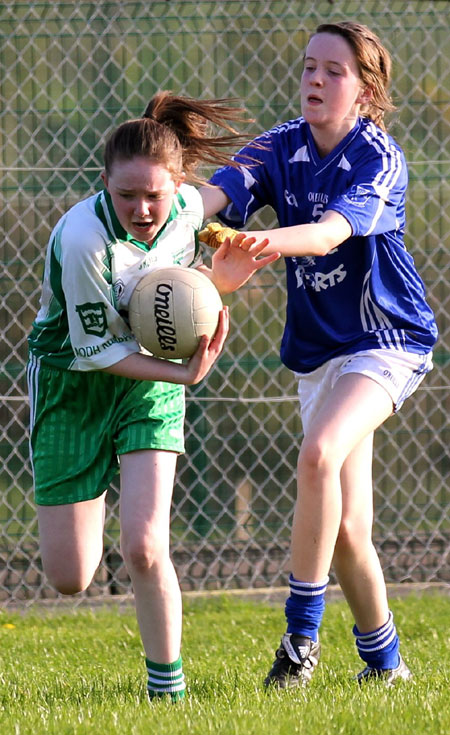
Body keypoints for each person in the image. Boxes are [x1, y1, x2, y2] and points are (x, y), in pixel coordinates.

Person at [198, 21, 438, 687]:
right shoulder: (278, 146)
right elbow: (211, 199)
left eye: (334, 70)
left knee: (318, 454)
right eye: (309, 66)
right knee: (347, 530)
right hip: (319, 354)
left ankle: (299, 640)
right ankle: (387, 667)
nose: (314, 78)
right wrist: (171, 218)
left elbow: (332, 233)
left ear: (365, 91)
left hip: (385, 339)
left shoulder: (378, 158)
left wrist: (258, 246)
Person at [27, 92, 278, 703]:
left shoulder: (191, 209)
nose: (142, 208)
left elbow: (186, 290)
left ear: (178, 187)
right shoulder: (85, 238)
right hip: (74, 381)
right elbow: (96, 351)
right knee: (70, 577)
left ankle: (168, 693)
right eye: (127, 195)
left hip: (151, 382)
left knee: (144, 543)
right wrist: (186, 377)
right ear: (104, 184)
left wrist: (220, 282)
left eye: (154, 195)